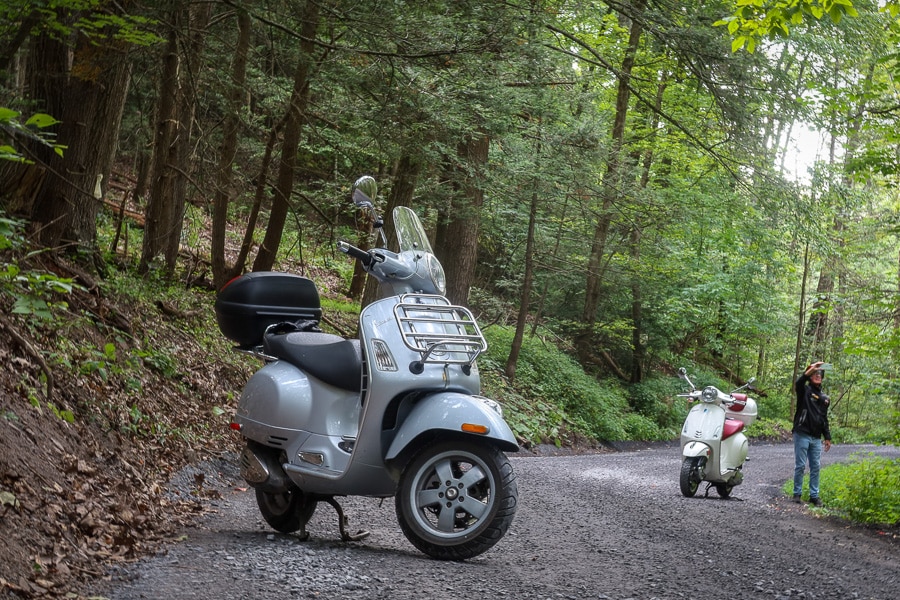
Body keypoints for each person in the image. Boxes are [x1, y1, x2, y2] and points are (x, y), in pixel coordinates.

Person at [792, 361, 833, 506]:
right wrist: (811, 369)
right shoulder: (804, 391)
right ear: (810, 376)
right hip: (802, 433)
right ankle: (797, 494)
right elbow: (799, 382)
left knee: (815, 466)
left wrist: (827, 436)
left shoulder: (824, 398)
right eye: (815, 374)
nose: (817, 376)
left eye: (820, 374)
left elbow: (824, 418)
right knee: (801, 465)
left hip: (816, 437)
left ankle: (814, 496)